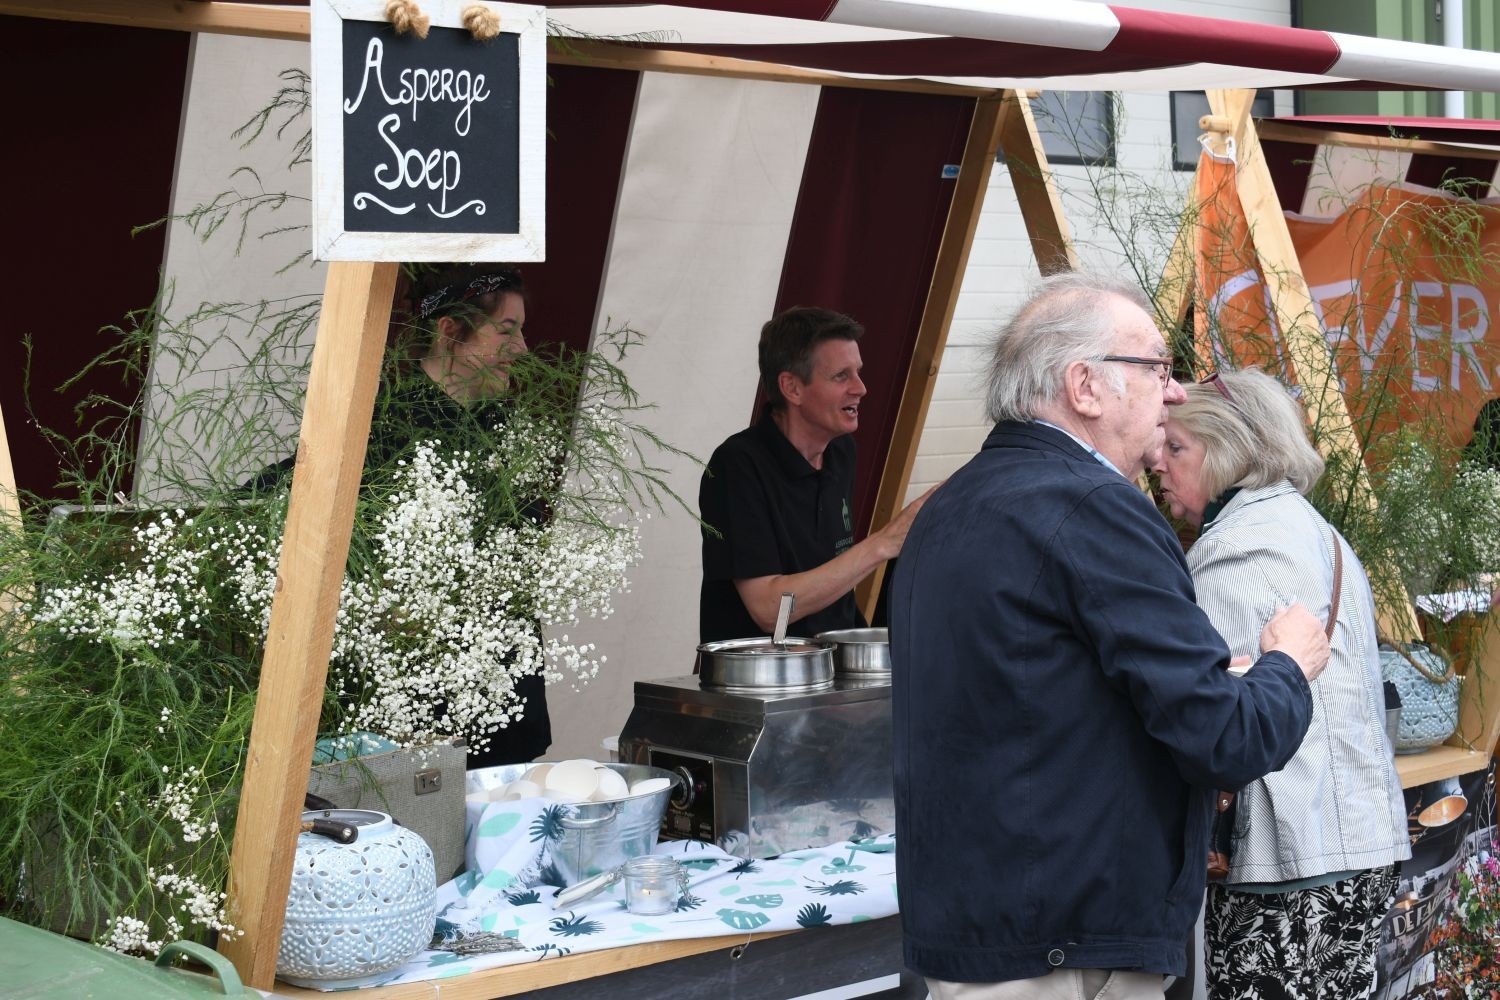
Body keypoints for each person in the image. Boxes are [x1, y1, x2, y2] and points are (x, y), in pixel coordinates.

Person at [890, 271, 1331, 1000]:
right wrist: (1286, 663)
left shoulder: (952, 503)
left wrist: (1212, 683)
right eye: (1157, 366)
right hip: (1066, 949)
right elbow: (1226, 738)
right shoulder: (1093, 506)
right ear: (1085, 386)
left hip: (984, 929)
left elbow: (1041, 702)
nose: (1176, 391)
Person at [1154, 367, 1409, 1000]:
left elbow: (1206, 716)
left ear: (1228, 450)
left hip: (1286, 857)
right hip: (1359, 843)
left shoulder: (1232, 550)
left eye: (1177, 446)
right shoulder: (1321, 534)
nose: (1158, 462)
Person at [250, 263, 548, 768]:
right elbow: (266, 500)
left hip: (505, 698)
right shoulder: (382, 427)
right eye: (506, 330)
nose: (521, 348)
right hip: (417, 707)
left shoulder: (505, 428)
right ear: (449, 331)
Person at [698, 306, 932, 644]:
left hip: (835, 664)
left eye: (858, 372)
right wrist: (883, 544)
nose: (861, 388)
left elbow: (833, 587)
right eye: (841, 376)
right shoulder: (737, 465)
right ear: (792, 388)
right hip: (766, 673)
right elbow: (768, 609)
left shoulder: (841, 451)